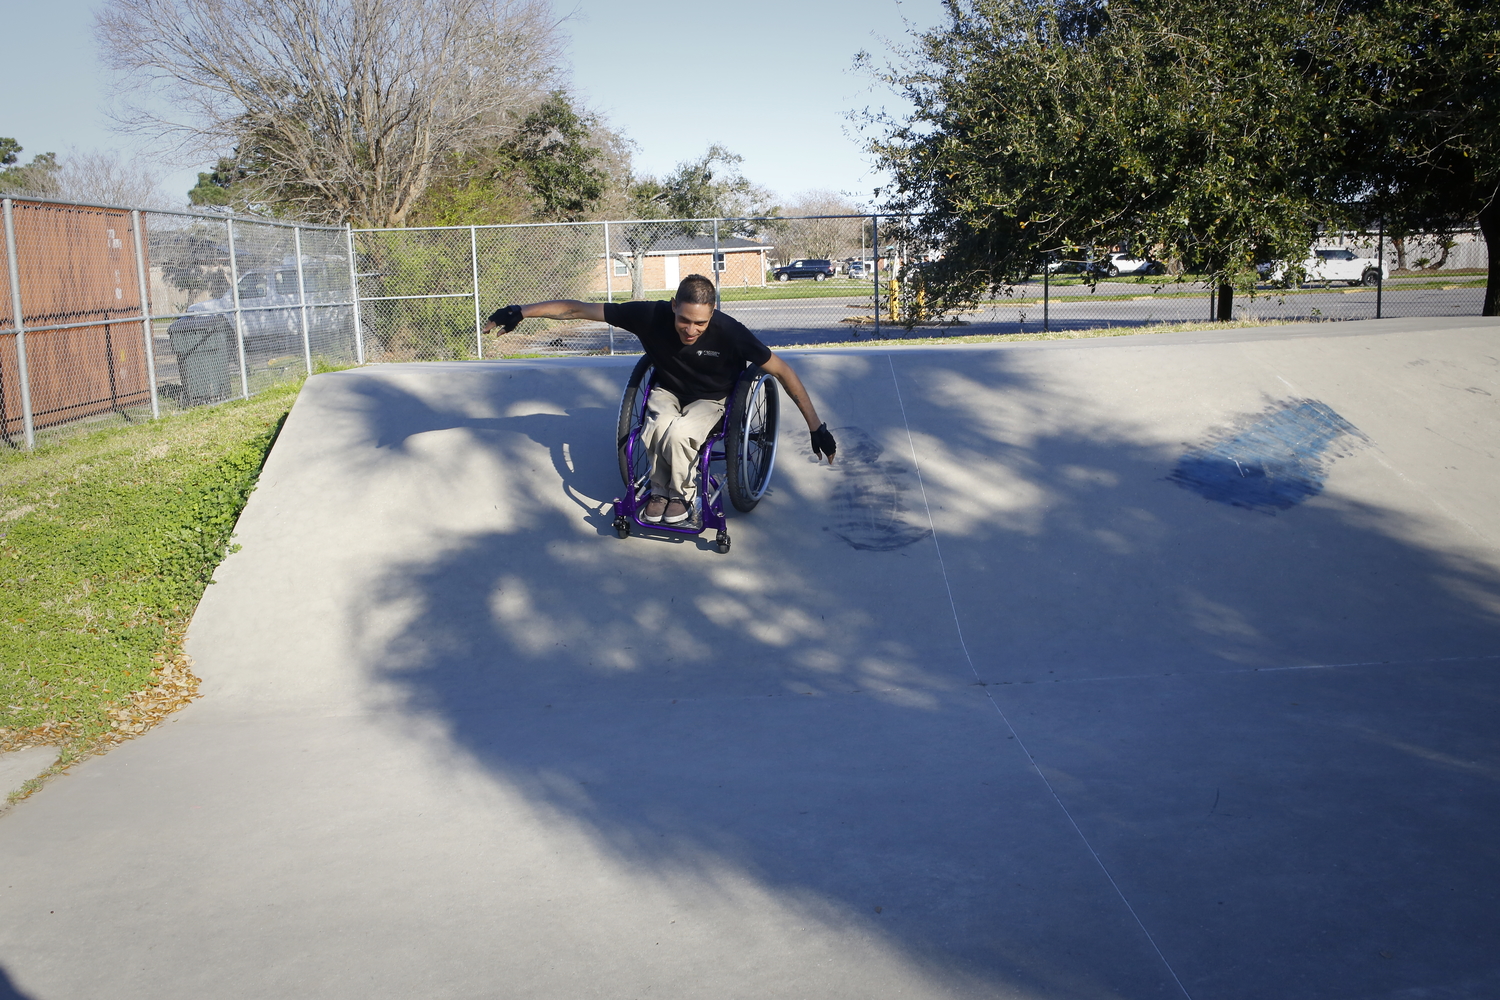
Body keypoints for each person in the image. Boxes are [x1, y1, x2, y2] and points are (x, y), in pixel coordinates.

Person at [484, 274, 836, 525]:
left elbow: (784, 373)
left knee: (681, 433)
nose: (691, 330)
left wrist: (815, 427)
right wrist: (521, 311)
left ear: (712, 313)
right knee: (655, 428)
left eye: (700, 323)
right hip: (667, 389)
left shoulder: (730, 332)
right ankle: (659, 493)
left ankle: (680, 495)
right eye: (684, 320)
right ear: (672, 307)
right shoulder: (649, 316)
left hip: (712, 399)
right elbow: (578, 310)